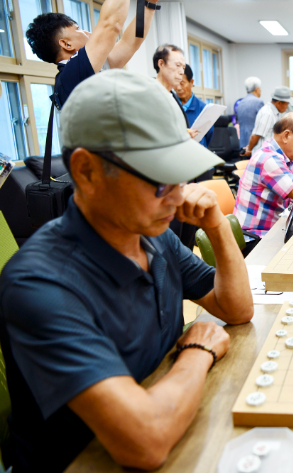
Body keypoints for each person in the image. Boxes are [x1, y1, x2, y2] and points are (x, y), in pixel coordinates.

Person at [0, 70, 252, 472]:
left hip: (176, 427)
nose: (178, 195)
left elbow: (235, 308)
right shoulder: (40, 283)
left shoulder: (152, 236)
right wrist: (197, 351)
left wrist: (217, 226)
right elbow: (145, 442)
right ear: (86, 171)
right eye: (159, 181)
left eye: (181, 175)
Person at [25, 0, 157, 109]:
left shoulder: (84, 71)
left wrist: (148, 5)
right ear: (66, 44)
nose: (88, 32)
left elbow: (130, 43)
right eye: (78, 29)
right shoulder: (71, 75)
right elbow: (111, 24)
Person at [153, 44, 194, 134]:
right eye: (178, 65)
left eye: (183, 67)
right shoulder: (148, 93)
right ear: (161, 64)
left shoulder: (173, 97)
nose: (181, 72)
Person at [243, 86, 291, 157]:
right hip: (263, 156)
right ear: (279, 103)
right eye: (287, 104)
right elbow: (256, 135)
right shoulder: (268, 113)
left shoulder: (275, 113)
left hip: (269, 154)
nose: (287, 107)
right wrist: (249, 149)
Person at [176, 64, 213, 148]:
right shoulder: (171, 106)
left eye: (182, 83)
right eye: (176, 83)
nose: (178, 88)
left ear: (191, 82)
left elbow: (209, 135)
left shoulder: (203, 108)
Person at [235, 76, 264, 149]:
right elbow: (262, 124)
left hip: (242, 142)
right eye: (260, 89)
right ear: (257, 89)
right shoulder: (259, 102)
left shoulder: (240, 103)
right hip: (254, 144)